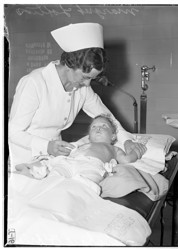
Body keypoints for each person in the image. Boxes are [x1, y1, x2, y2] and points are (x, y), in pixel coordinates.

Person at [9, 23, 145, 171]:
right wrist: (46, 146)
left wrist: (126, 140)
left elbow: (106, 117)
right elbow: (14, 133)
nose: (87, 84)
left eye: (91, 79)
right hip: (26, 158)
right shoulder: (34, 83)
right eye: (85, 77)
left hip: (56, 158)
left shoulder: (82, 88)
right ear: (69, 65)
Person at [15, 114, 146, 184]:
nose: (98, 128)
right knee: (55, 176)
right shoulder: (81, 144)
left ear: (113, 136)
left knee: (87, 183)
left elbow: (126, 159)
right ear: (88, 136)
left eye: (104, 126)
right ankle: (42, 181)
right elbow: (65, 152)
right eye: (94, 127)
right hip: (69, 162)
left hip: (92, 165)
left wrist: (137, 151)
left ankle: (79, 193)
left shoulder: (113, 149)